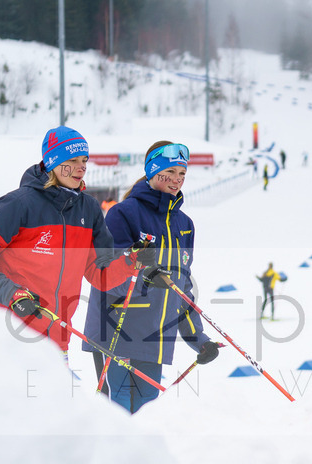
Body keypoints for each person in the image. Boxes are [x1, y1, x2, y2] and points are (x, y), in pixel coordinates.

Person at [0, 126, 140, 357]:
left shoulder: (89, 209)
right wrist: (12, 294)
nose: (82, 167)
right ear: (53, 162)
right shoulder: (20, 204)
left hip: (56, 342)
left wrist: (130, 260)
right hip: (8, 340)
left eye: (84, 160)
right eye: (72, 160)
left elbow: (100, 274)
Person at [82, 140, 218, 413]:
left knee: (146, 418)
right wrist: (142, 271)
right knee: (118, 416)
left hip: (155, 340)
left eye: (182, 173)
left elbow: (181, 288)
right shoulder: (123, 213)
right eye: (170, 172)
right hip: (118, 332)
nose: (177, 179)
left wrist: (198, 339)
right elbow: (104, 274)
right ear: (154, 172)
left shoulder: (184, 225)